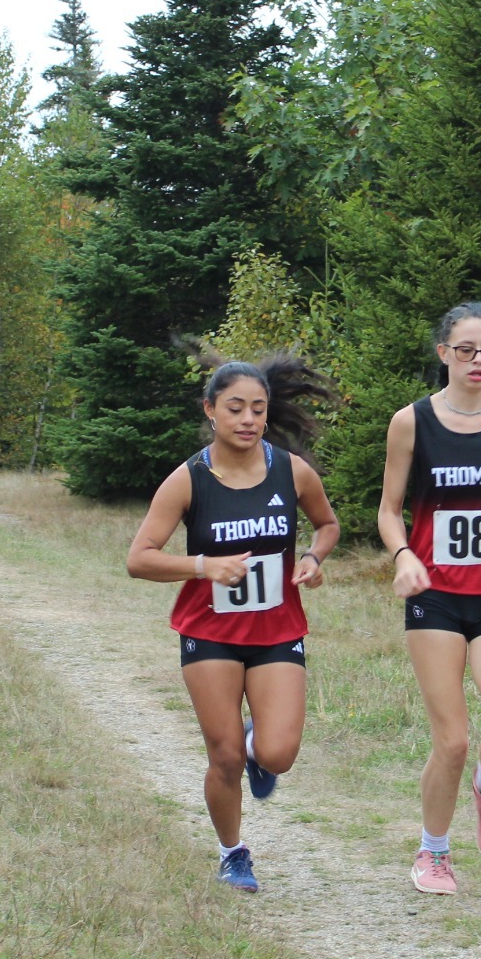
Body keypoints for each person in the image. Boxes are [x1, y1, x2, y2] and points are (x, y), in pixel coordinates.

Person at [126, 354, 340, 892]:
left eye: (258, 410)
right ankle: (232, 852)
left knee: (278, 754)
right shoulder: (188, 480)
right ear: (211, 411)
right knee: (222, 758)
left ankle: (255, 747)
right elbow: (140, 558)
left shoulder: (292, 471)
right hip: (210, 632)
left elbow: (327, 524)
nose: (247, 419)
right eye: (236, 408)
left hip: (277, 630)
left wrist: (313, 559)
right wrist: (203, 566)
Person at [377, 302, 481, 895]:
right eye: (467, 350)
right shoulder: (411, 423)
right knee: (450, 740)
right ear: (443, 353)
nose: (479, 361)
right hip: (436, 598)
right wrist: (402, 556)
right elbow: (389, 510)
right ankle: (433, 853)